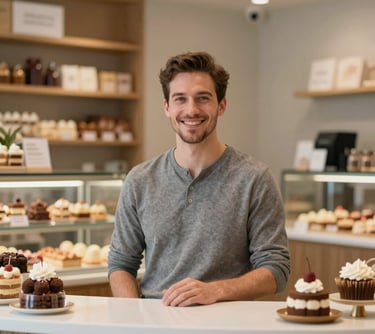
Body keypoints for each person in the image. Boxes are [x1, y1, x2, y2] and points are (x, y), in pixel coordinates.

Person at [108, 51, 290, 307]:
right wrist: (135, 319)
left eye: (203, 98)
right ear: (167, 107)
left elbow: (276, 269)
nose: (191, 110)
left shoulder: (254, 178)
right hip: (157, 324)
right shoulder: (140, 180)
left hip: (229, 325)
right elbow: (120, 264)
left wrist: (215, 290)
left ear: (221, 105)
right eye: (180, 99)